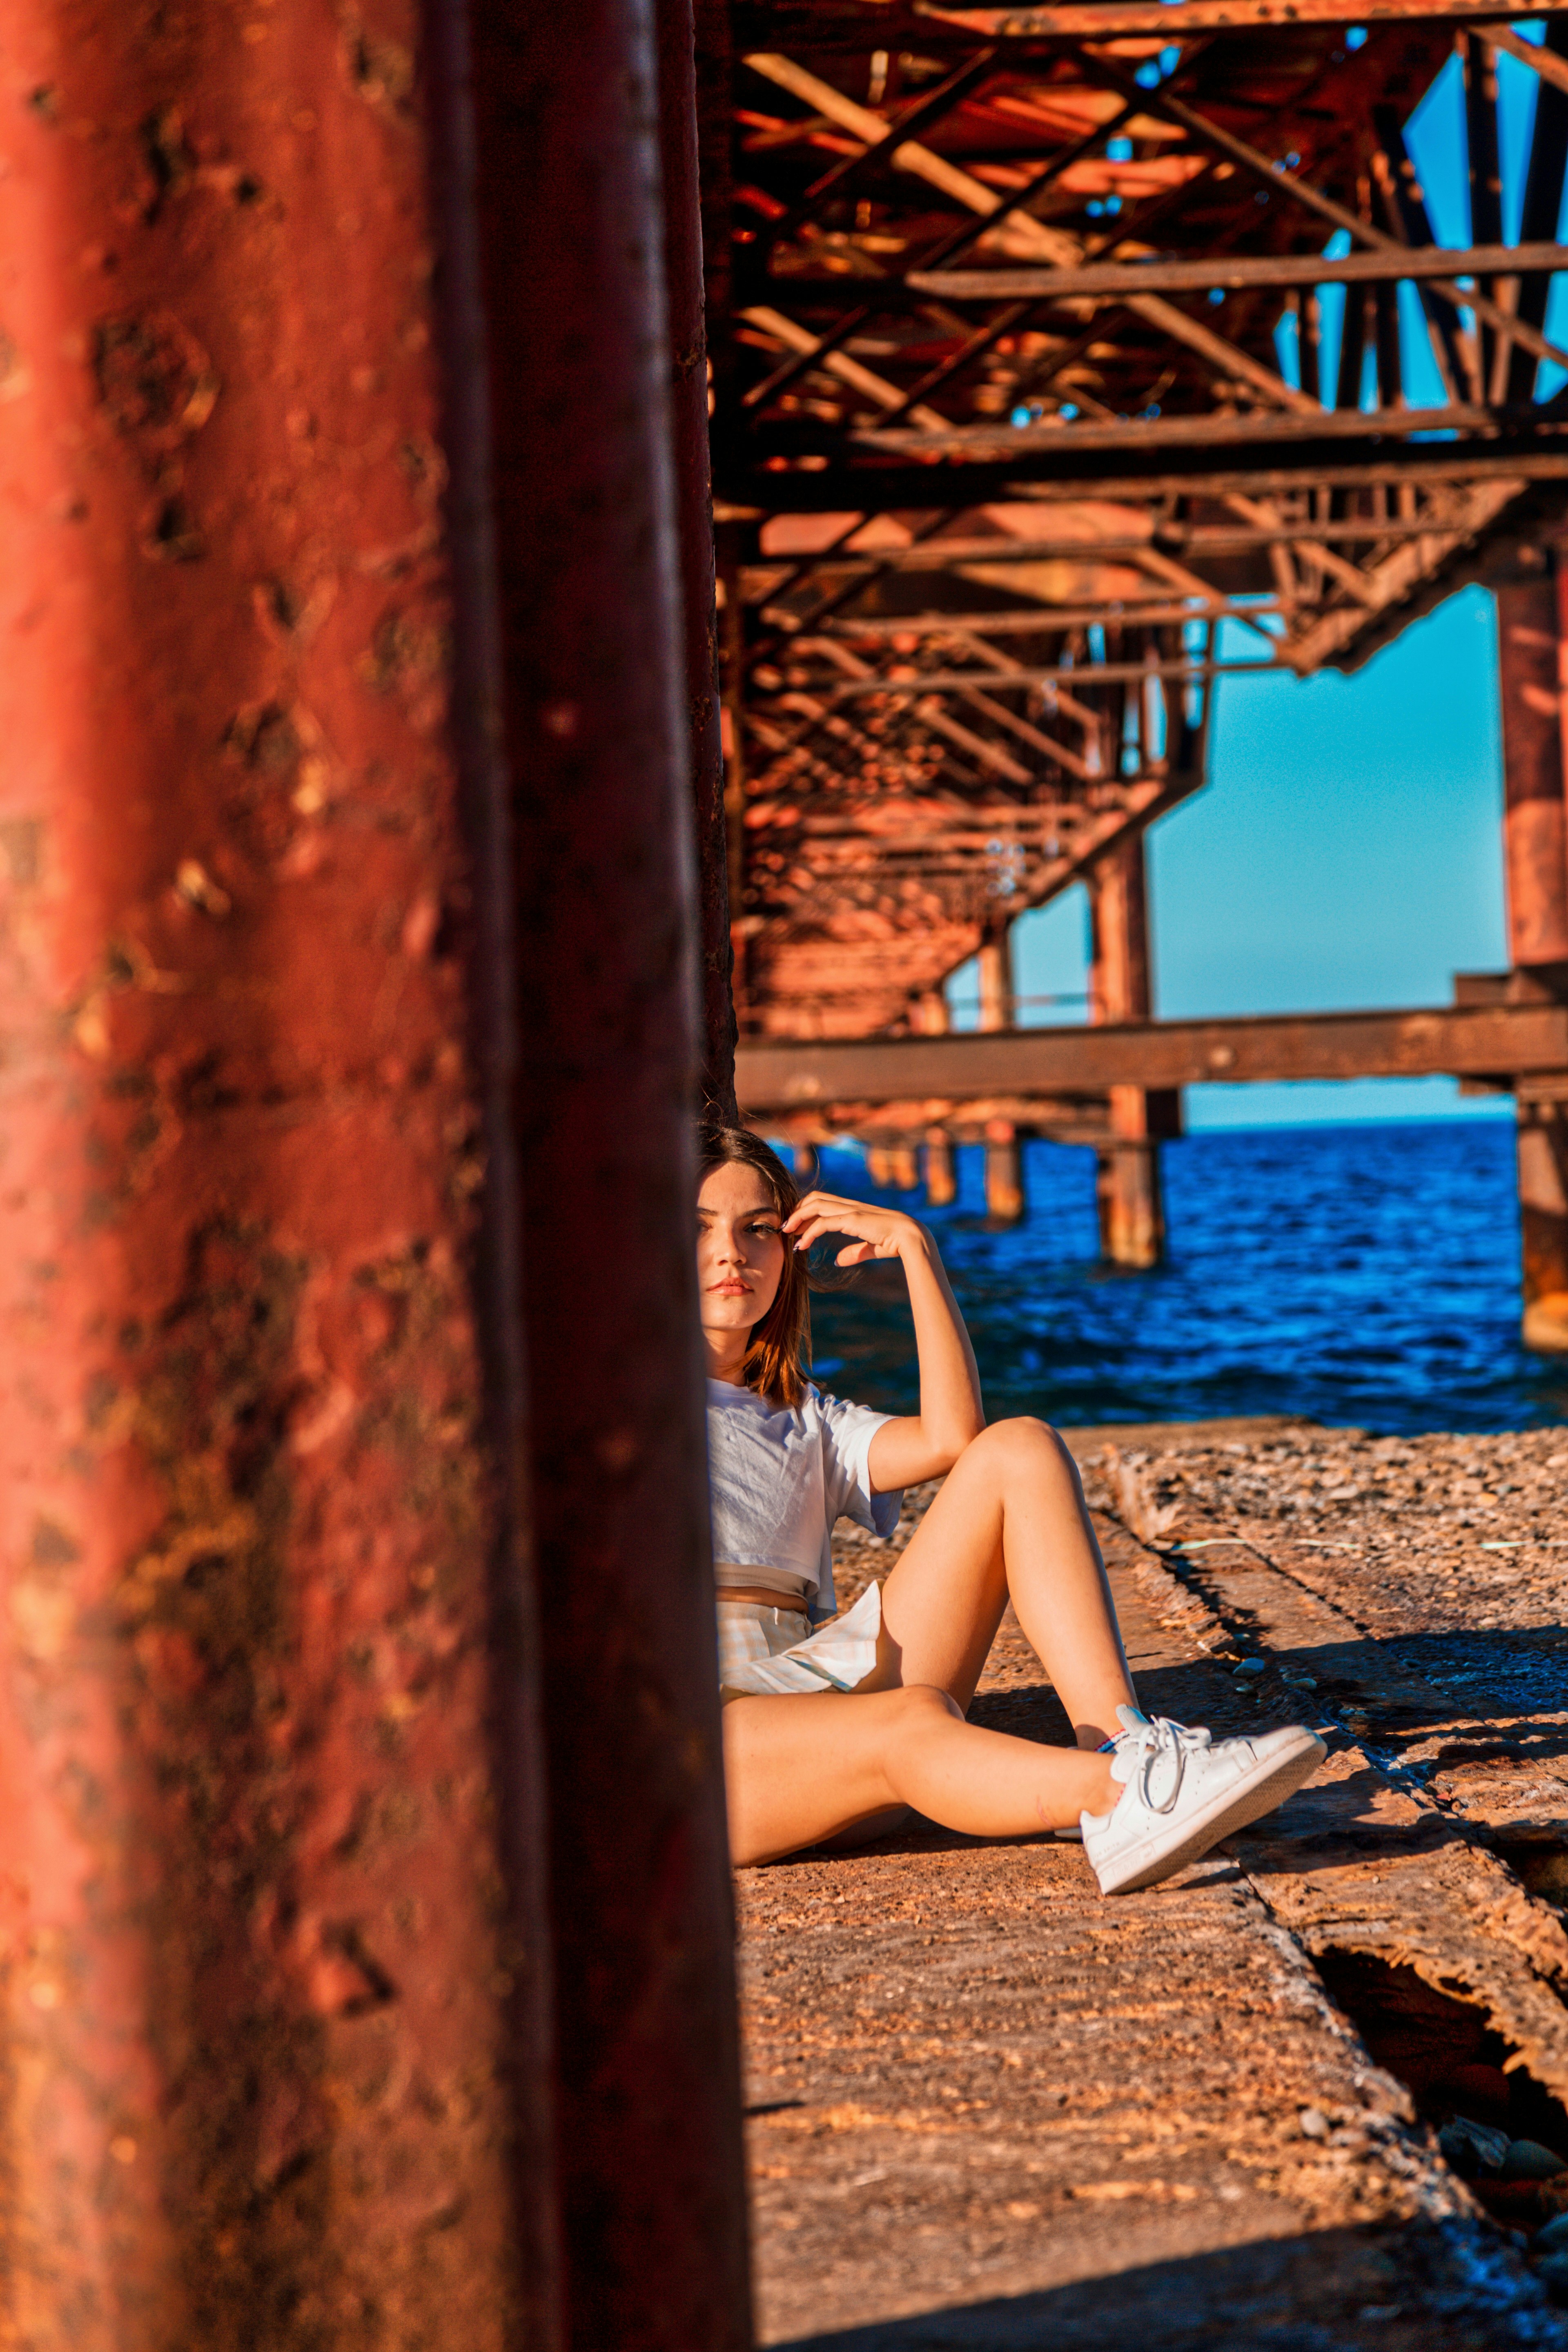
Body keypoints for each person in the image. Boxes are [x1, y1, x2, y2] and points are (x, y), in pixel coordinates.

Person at [699, 1120, 1325, 1891]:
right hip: (695, 1758)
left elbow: (954, 1436)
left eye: (759, 1229)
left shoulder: (806, 1418)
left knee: (1020, 1447)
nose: (731, 1252)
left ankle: (1122, 1747)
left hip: (809, 1706)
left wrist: (916, 1248)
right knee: (912, 1716)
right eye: (697, 1229)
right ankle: (1121, 1803)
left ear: (789, 1251)